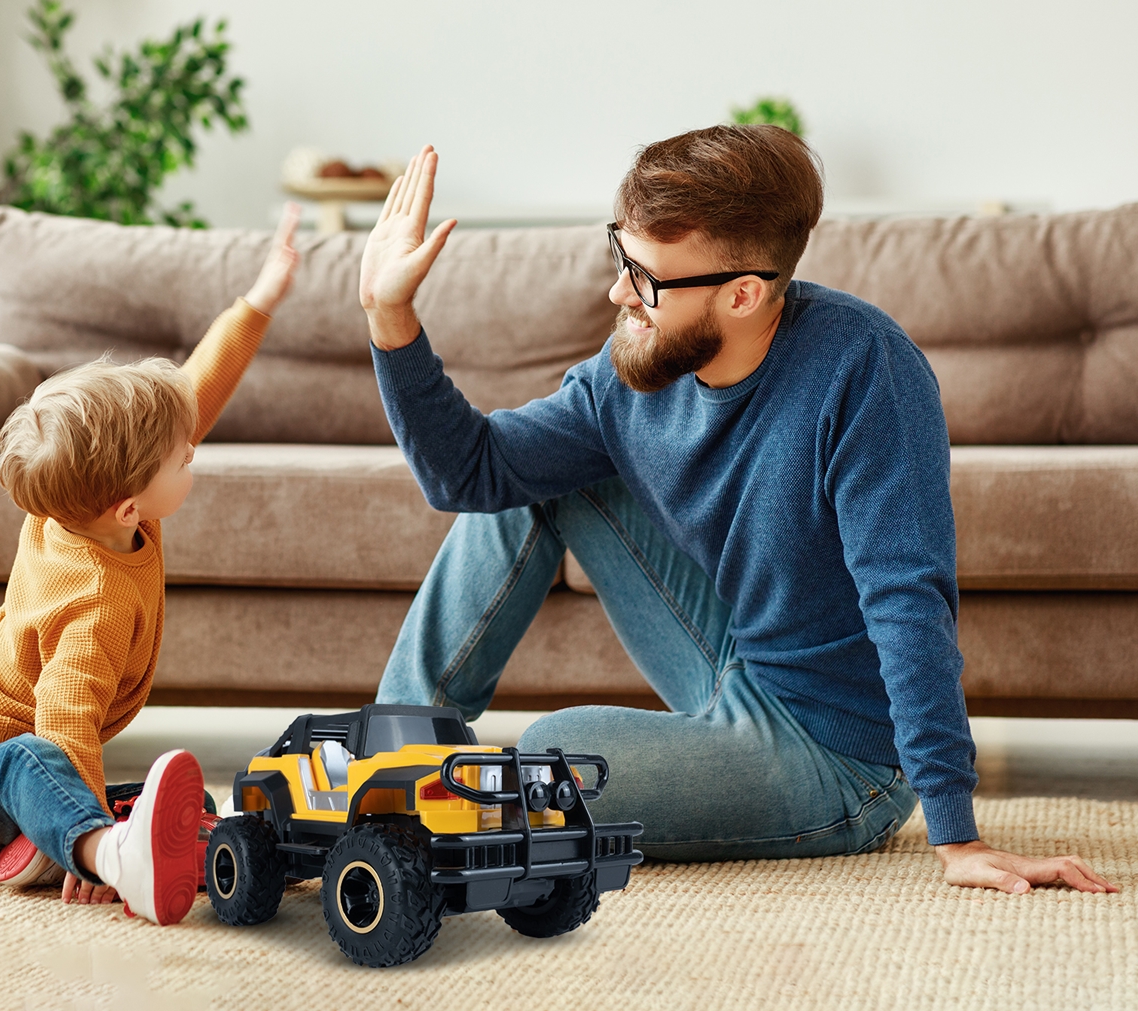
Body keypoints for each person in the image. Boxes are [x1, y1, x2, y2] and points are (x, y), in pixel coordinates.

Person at [359, 131, 1115, 895]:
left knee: (557, 757)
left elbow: (907, 598)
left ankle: (822, 788)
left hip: (837, 752)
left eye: (646, 277)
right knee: (532, 482)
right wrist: (390, 316)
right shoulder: (631, 373)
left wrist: (957, 832)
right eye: (620, 258)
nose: (620, 293)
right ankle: (381, 780)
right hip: (735, 653)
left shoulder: (864, 371)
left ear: (744, 293)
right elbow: (473, 472)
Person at [0, 205, 303, 924]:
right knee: (36, 761)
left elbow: (196, 395)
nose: (195, 452)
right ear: (129, 507)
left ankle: (53, 835)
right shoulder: (92, 599)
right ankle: (100, 850)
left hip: (19, 774)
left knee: (187, 805)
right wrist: (87, 846)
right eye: (183, 459)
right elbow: (66, 723)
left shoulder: (82, 504)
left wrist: (260, 300)